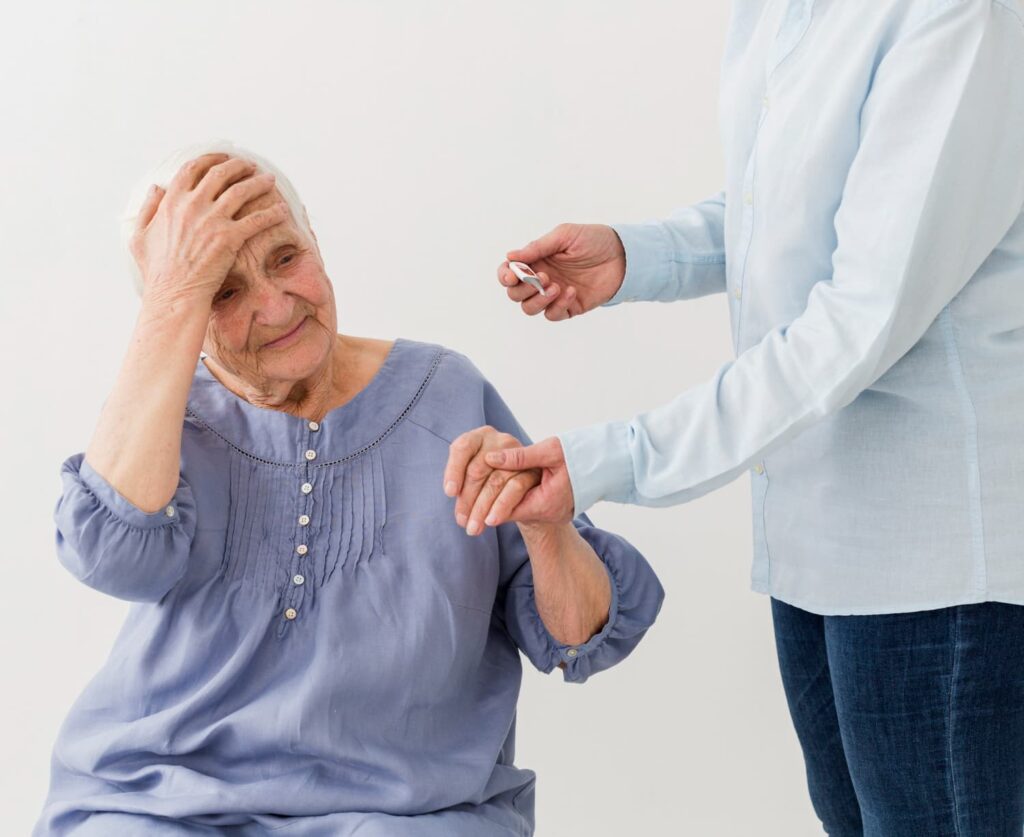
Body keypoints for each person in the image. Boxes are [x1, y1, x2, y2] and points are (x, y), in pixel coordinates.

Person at [451, 2, 1024, 832]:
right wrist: (637, 256)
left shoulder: (957, 15)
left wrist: (609, 460)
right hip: (812, 544)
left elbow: (858, 320)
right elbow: (793, 203)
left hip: (933, 562)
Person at [34, 143, 664, 837]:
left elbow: (576, 638)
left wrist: (546, 527)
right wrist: (173, 292)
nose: (275, 309)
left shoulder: (446, 392)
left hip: (406, 812)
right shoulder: (165, 416)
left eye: (284, 257)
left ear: (315, 238)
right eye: (223, 290)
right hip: (160, 802)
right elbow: (113, 556)